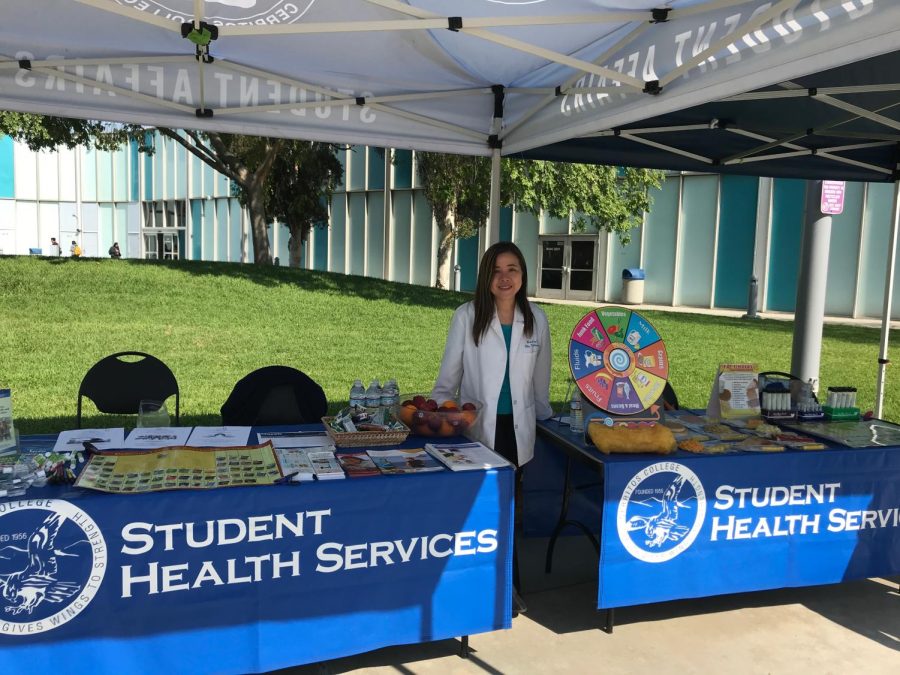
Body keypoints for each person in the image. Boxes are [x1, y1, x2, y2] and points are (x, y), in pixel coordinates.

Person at [432, 241, 552, 616]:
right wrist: (437, 413)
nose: (505, 277)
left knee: (509, 510)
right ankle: (477, 584)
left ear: (522, 276)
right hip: (477, 431)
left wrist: (545, 414)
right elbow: (448, 377)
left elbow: (540, 378)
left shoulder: (537, 318)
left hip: (517, 432)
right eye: (497, 270)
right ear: (486, 276)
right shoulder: (466, 316)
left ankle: (509, 587)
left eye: (512, 269)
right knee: (479, 513)